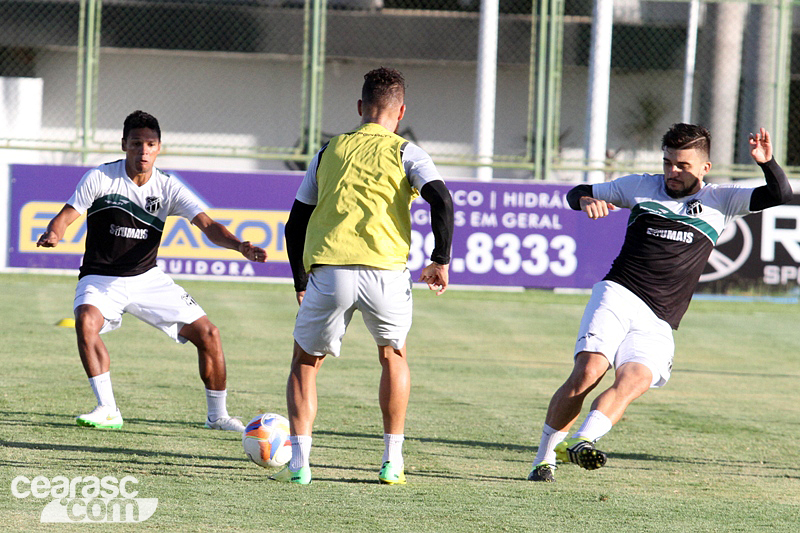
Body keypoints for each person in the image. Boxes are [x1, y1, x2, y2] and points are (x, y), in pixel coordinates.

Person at [528, 124, 793, 482]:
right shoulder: (640, 186)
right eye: (668, 162)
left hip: (660, 317)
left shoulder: (722, 199)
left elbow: (779, 193)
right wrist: (587, 199)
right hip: (618, 293)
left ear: (704, 167)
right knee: (589, 372)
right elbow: (576, 192)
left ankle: (582, 440)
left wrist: (768, 162)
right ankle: (544, 459)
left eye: (683, 165)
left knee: (634, 379)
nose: (672, 171)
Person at [273, 67, 454, 485]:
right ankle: (392, 461)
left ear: (360, 107)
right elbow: (442, 200)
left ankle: (300, 466)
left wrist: (300, 280)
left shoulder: (328, 151)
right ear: (401, 110)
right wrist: (440, 258)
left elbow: (294, 224)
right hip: (386, 273)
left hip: (331, 271)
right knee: (393, 356)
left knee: (305, 363)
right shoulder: (408, 152)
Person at [36, 110, 267, 432]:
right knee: (86, 319)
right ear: (124, 145)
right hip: (101, 278)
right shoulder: (100, 178)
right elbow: (65, 215)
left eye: (150, 144)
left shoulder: (169, 187)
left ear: (159, 147)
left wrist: (240, 245)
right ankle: (107, 408)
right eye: (136, 144)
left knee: (209, 334)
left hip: (147, 279)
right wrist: (54, 234)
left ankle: (218, 417)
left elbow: (209, 225)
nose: (143, 151)